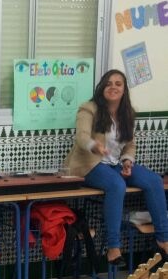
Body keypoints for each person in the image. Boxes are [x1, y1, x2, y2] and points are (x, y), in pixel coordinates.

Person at [63, 69, 168, 267]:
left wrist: (127, 161)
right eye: (109, 83)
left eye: (118, 84)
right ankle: (113, 248)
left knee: (154, 181)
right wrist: (95, 146)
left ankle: (163, 240)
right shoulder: (88, 109)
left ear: (124, 89)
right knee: (117, 185)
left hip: (115, 165)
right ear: (102, 88)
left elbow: (130, 144)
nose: (113, 87)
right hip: (89, 165)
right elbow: (82, 137)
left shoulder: (127, 113)